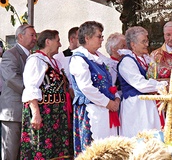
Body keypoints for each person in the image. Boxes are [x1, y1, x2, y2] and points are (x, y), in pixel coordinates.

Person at [69, 21, 121, 157]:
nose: (102, 39)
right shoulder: (79, 59)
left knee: (109, 148)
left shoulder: (99, 57)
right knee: (94, 149)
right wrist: (108, 103)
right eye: (99, 36)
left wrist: (116, 97)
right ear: (87, 38)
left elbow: (111, 80)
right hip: (91, 110)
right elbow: (86, 87)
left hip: (106, 110)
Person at [20, 30, 73, 159]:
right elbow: (31, 88)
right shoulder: (35, 60)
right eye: (58, 40)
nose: (60, 44)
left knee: (58, 149)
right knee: (41, 147)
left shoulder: (55, 62)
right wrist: (36, 114)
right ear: (48, 42)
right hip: (44, 111)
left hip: (57, 113)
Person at [117, 26, 168, 138]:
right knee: (140, 137)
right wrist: (162, 85)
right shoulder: (127, 61)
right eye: (143, 41)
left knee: (154, 136)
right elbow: (140, 84)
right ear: (133, 45)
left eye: (147, 41)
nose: (147, 44)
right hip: (136, 106)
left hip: (149, 104)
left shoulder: (146, 59)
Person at [0, 24, 37, 160]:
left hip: (27, 111)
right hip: (13, 112)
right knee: (10, 152)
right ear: (20, 36)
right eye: (32, 35)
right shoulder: (10, 54)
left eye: (35, 35)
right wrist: (33, 93)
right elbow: (11, 78)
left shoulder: (33, 56)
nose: (35, 38)